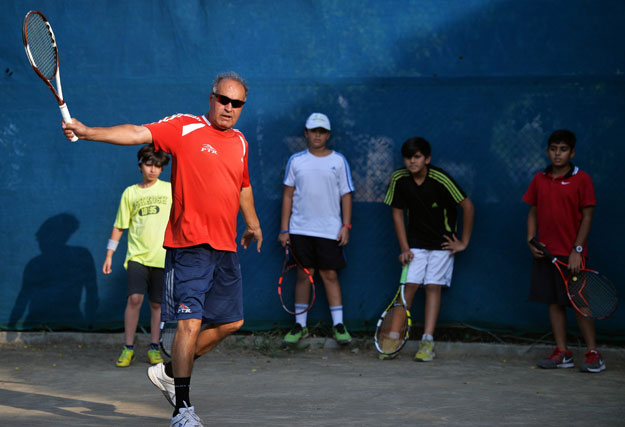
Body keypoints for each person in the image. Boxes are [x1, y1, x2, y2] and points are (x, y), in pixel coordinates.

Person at [62, 71, 263, 426]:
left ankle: (169, 372)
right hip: (189, 246)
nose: (229, 108)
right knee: (189, 323)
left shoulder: (242, 142)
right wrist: (88, 131)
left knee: (232, 322)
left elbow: (243, 185)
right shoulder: (183, 127)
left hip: (225, 247)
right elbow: (138, 132)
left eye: (237, 103)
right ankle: (182, 409)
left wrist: (253, 222)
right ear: (211, 98)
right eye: (224, 100)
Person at [383, 137, 474, 361]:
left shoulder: (440, 178)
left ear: (427, 159)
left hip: (442, 245)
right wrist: (404, 247)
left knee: (433, 287)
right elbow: (396, 213)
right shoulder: (399, 178)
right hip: (415, 244)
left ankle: (427, 342)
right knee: (409, 287)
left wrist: (463, 242)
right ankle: (393, 338)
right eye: (408, 157)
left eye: (417, 157)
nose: (412, 162)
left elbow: (467, 206)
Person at [523, 129, 604, 373]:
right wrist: (530, 240)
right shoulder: (539, 179)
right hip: (547, 254)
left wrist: (577, 250)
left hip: (573, 255)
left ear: (572, 153)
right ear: (548, 151)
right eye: (554, 149)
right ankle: (563, 352)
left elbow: (587, 216)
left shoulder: (582, 179)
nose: (558, 154)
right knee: (554, 302)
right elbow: (533, 212)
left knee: (579, 302)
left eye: (563, 149)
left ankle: (593, 354)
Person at [278, 113, 354, 346]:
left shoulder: (339, 161)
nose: (317, 135)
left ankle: (338, 325)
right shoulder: (296, 160)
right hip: (300, 229)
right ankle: (300, 325)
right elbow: (288, 196)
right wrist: (284, 229)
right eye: (313, 131)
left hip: (330, 230)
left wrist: (346, 226)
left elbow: (346, 195)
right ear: (306, 133)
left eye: (322, 131)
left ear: (328, 135)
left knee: (329, 275)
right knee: (304, 275)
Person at [103, 144, 171, 368]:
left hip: (162, 257)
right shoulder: (130, 193)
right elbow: (119, 226)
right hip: (137, 257)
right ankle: (128, 347)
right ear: (141, 165)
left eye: (158, 166)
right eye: (149, 164)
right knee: (134, 299)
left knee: (156, 304)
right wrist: (110, 254)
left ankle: (154, 347)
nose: (153, 169)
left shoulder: (170, 190)